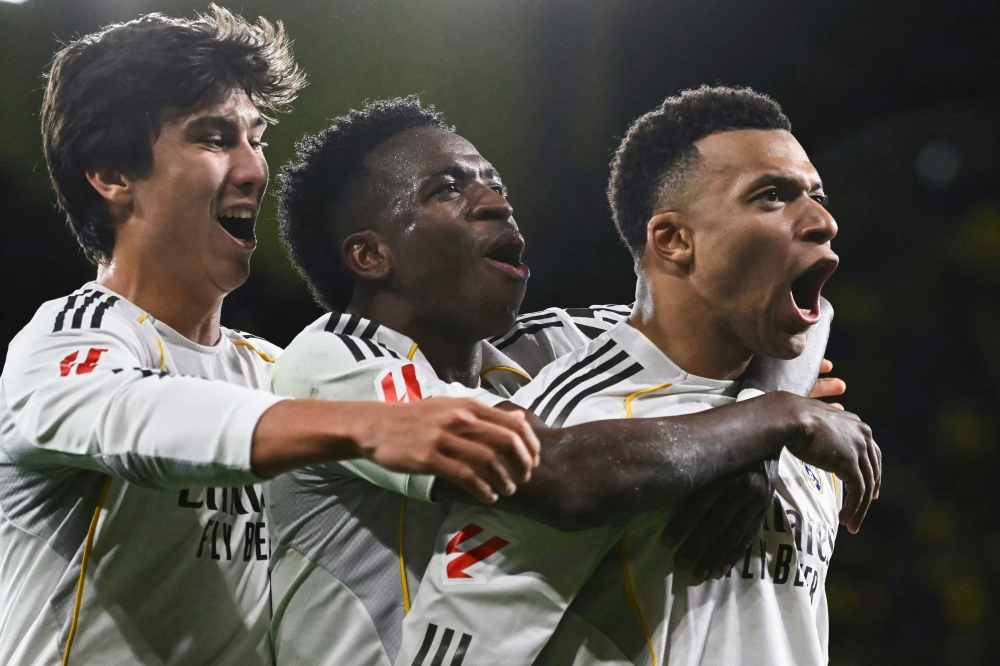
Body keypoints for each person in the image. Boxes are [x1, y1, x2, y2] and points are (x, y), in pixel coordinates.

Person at [0, 10, 539, 665]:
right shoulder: (67, 340)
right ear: (113, 174)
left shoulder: (271, 370)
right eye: (214, 138)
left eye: (255, 138)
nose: (254, 168)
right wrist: (367, 425)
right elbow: (133, 418)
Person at [265, 95, 878, 665]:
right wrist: (770, 420)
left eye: (495, 183)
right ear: (370, 255)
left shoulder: (549, 346)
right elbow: (554, 474)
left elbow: (777, 312)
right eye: (448, 189)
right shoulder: (333, 362)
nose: (495, 202)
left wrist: (762, 424)